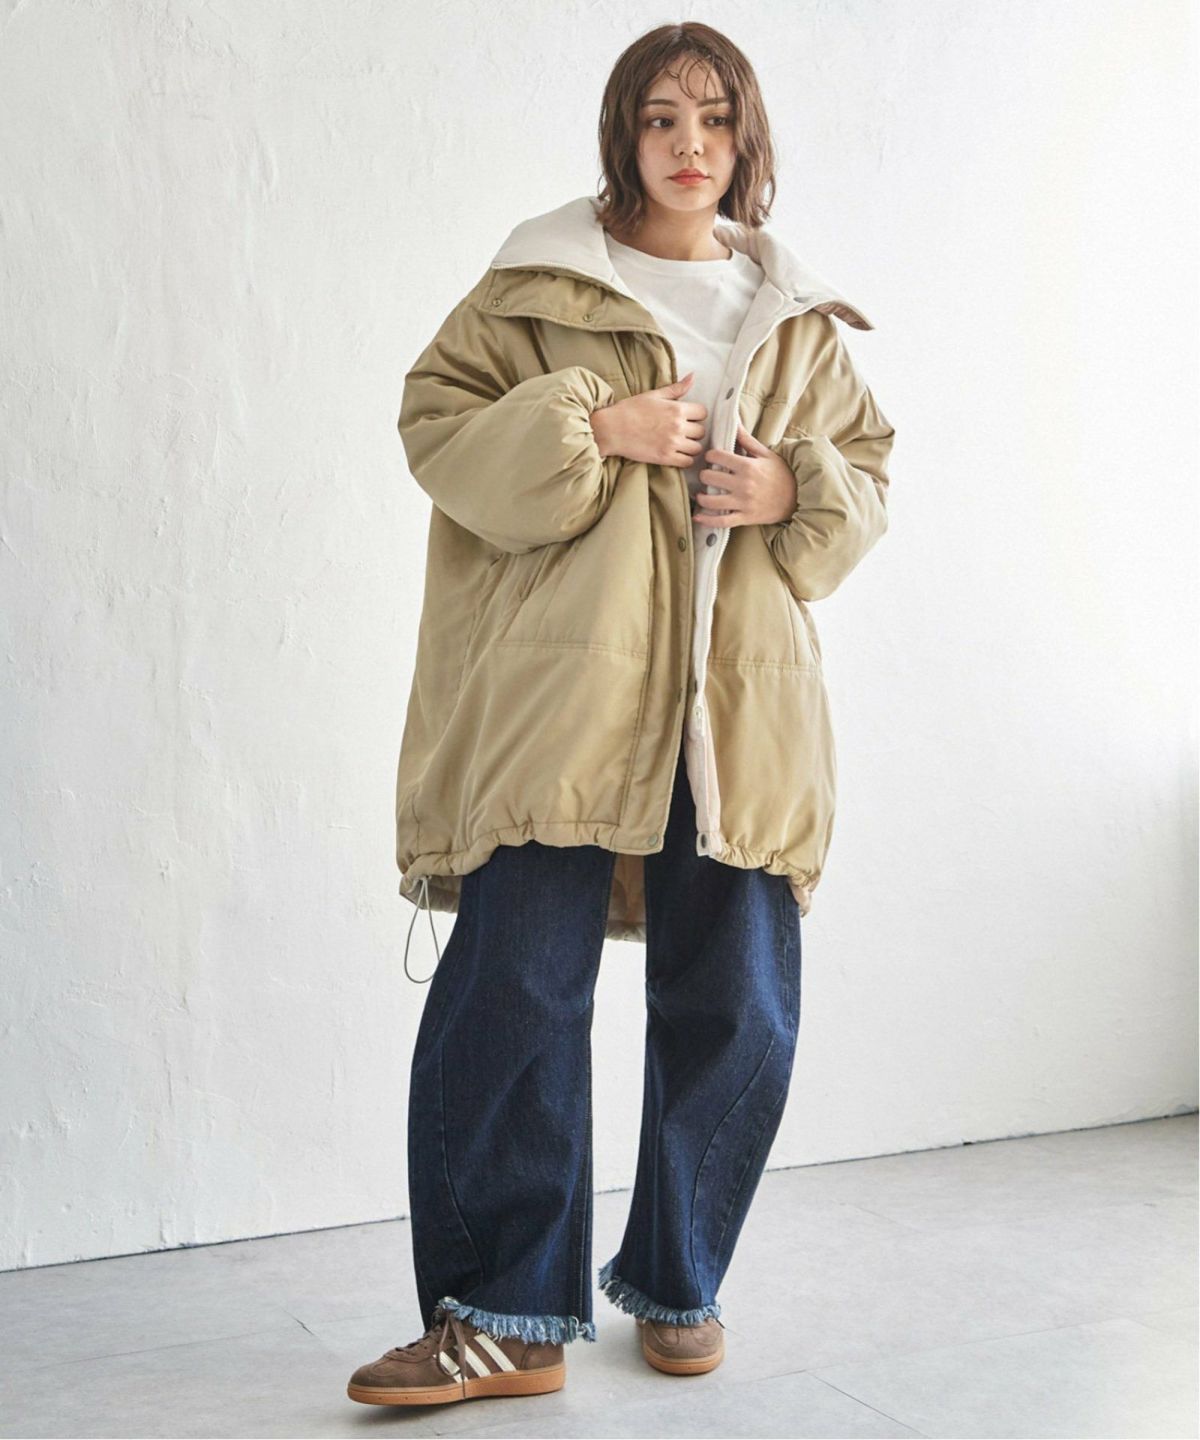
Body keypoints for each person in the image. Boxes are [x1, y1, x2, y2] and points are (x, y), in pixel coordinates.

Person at [348, 21, 895, 1409]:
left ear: (746, 141)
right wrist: (594, 429)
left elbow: (867, 477)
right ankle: (503, 1319)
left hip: (738, 710)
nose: (689, 144)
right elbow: (434, 424)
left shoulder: (795, 315)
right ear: (623, 136)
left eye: (714, 118)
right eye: (661, 118)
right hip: (565, 698)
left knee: (739, 1002)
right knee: (515, 994)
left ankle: (678, 1275)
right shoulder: (541, 283)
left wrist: (793, 490)